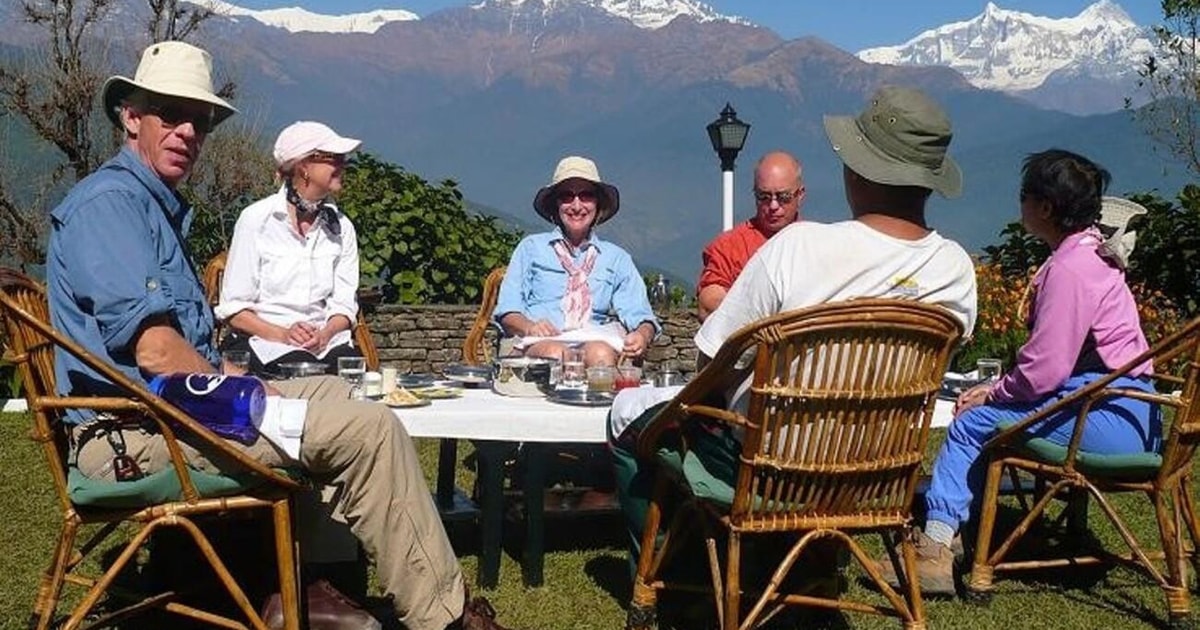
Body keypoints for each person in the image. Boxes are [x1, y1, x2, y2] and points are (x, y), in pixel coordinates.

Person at [45, 41, 507, 630]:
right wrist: (250, 395)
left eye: (201, 119)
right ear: (131, 117)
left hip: (172, 413)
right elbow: (156, 352)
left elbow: (180, 349)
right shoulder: (111, 206)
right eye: (170, 114)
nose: (188, 130)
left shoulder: (147, 206)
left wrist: (241, 381)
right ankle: (445, 618)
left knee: (344, 399)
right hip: (135, 437)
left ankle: (315, 584)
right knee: (367, 430)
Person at [608, 85, 979, 566]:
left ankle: (671, 572)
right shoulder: (954, 269)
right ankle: (806, 567)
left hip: (770, 467)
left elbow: (710, 361)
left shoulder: (797, 247)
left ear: (856, 169)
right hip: (876, 470)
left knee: (627, 411)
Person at [888, 149, 1161, 595]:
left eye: (1024, 197)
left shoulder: (1070, 269)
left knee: (972, 422)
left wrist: (991, 392)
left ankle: (935, 549)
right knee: (982, 414)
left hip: (1106, 421)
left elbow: (1045, 371)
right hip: (1136, 415)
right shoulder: (1095, 255)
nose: (1020, 205)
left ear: (1046, 208)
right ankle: (952, 533)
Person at [215, 121, 364, 378]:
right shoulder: (256, 221)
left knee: (351, 367)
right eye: (333, 158)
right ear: (304, 166)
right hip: (264, 341)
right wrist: (283, 334)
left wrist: (325, 334)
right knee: (298, 368)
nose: (342, 164)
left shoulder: (342, 227)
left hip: (324, 344)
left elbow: (344, 306)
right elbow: (235, 309)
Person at [493, 155, 659, 366]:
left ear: (597, 204)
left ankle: (594, 398)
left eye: (586, 195)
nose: (577, 205)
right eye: (567, 196)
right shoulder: (531, 248)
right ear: (556, 204)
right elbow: (507, 311)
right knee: (556, 354)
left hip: (594, 341)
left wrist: (642, 336)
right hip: (538, 343)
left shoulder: (616, 258)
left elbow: (642, 316)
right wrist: (529, 326)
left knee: (601, 355)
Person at [696, 151, 805, 321]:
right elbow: (708, 302)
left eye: (783, 197)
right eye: (764, 197)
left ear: (800, 195)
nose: (773, 205)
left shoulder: (816, 243)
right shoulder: (729, 246)